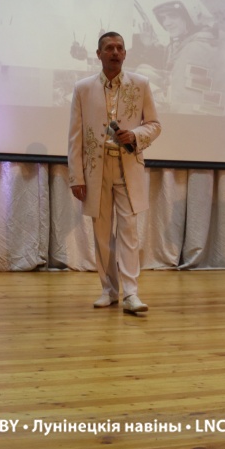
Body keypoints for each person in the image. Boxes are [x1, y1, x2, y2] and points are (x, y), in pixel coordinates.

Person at [69, 32, 161, 315]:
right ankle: (108, 290)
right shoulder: (83, 88)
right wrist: (76, 176)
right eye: (109, 48)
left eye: (120, 48)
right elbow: (75, 136)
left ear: (125, 53)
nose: (115, 52)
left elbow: (154, 124)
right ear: (99, 54)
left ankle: (131, 293)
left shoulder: (140, 84)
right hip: (95, 170)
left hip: (128, 167)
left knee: (129, 231)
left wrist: (134, 135)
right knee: (101, 233)